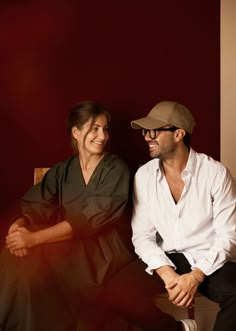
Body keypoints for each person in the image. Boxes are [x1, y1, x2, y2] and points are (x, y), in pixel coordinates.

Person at [0, 101, 191, 331]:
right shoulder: (62, 171)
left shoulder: (116, 168)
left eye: (105, 128)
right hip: (69, 248)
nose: (103, 135)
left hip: (105, 252)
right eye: (94, 128)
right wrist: (18, 227)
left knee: (41, 265)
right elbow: (35, 205)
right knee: (16, 259)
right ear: (76, 132)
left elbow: (89, 219)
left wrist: (33, 239)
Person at [130, 100, 236, 331]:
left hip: (207, 260)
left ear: (178, 134)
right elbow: (142, 236)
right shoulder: (144, 175)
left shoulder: (216, 174)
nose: (147, 137)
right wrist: (167, 273)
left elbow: (229, 236)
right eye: (146, 131)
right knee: (113, 294)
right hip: (166, 258)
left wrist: (195, 277)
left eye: (154, 131)